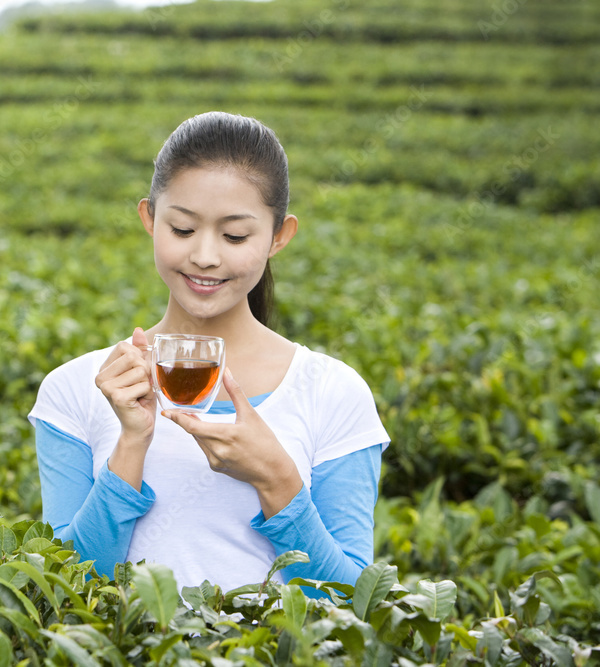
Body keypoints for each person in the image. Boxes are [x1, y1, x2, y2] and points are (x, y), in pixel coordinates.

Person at [28, 111, 390, 594]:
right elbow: (60, 589)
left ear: (279, 237)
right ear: (149, 219)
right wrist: (132, 442)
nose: (205, 255)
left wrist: (277, 480)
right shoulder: (77, 389)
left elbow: (359, 603)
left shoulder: (333, 392)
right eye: (182, 229)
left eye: (235, 235)